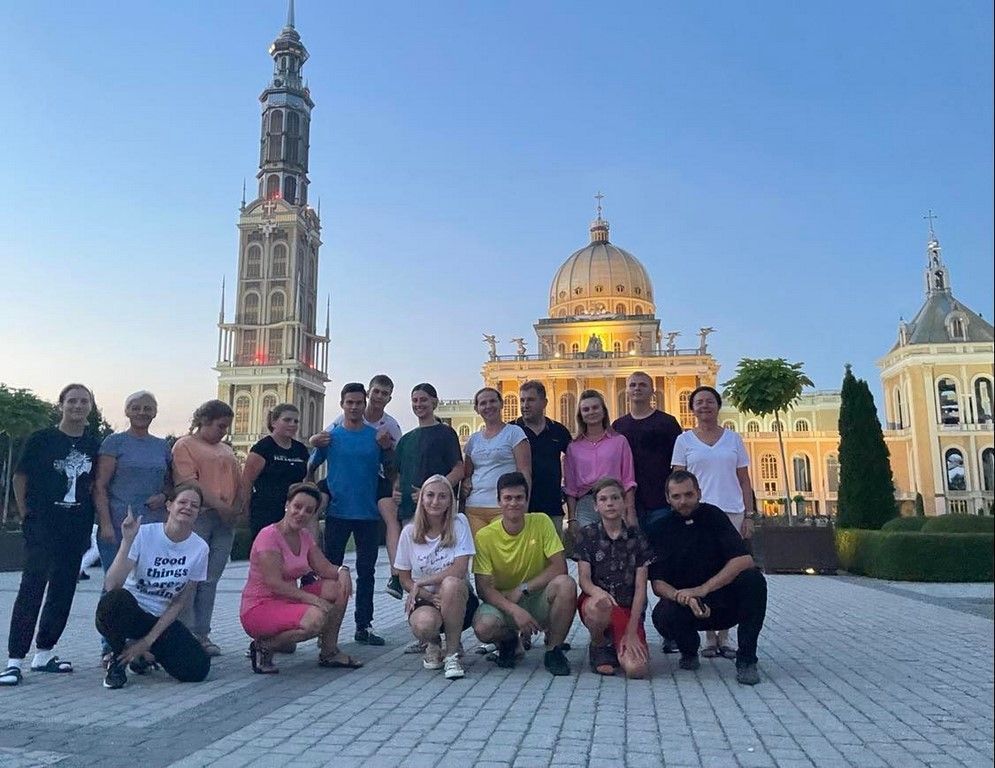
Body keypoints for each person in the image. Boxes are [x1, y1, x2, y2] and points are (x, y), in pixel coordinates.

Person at [1, 384, 102, 686]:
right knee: (32, 587)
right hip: (43, 525)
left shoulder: (94, 444)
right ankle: (14, 660)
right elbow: (20, 477)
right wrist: (26, 514)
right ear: (61, 405)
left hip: (76, 526)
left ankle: (44, 652)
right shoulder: (42, 439)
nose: (77, 406)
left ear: (90, 407)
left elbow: (95, 484)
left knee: (63, 589)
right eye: (72, 401)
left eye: (83, 401)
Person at [649, 471, 767, 686]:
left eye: (688, 494)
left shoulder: (714, 516)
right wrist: (684, 597)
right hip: (685, 605)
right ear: (667, 499)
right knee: (663, 615)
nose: (683, 501)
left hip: (723, 601)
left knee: (754, 581)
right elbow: (657, 583)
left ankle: (747, 659)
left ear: (699, 493)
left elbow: (744, 560)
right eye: (676, 496)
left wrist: (703, 589)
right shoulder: (660, 528)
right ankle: (689, 650)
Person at [96, 483, 211, 689]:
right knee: (113, 601)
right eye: (182, 502)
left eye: (194, 505)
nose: (187, 507)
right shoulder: (144, 534)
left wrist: (147, 641)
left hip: (158, 619)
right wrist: (127, 542)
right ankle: (118, 659)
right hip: (130, 611)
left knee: (198, 669)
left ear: (199, 512)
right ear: (169, 505)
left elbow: (179, 602)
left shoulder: (200, 548)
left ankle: (144, 655)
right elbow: (112, 584)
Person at [671, 385, 756, 659]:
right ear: (692, 409)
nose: (704, 406)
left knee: (731, 571)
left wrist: (749, 515)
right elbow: (678, 480)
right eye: (699, 402)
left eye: (709, 401)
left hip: (732, 511)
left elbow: (744, 480)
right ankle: (709, 635)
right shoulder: (684, 440)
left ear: (718, 406)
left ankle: (726, 636)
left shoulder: (733, 439)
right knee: (703, 571)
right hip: (700, 513)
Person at [239, 483, 358, 673]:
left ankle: (329, 652)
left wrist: (344, 571)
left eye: (308, 510)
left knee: (337, 587)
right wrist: (315, 601)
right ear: (287, 505)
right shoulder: (268, 536)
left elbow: (326, 569)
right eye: (297, 506)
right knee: (315, 619)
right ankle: (264, 646)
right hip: (260, 606)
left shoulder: (304, 536)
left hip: (287, 601)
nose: (301, 513)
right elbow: (274, 584)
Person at [309, 375, 405, 600]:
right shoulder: (336, 430)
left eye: (384, 393)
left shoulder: (388, 427)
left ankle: (396, 576)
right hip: (340, 499)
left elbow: (395, 462)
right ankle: (311, 566)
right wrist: (309, 474)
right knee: (313, 507)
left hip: (372, 489)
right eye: (349, 403)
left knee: (390, 518)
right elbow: (317, 450)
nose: (354, 407)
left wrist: (396, 483)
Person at [471, 472, 576, 676]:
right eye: (508, 498)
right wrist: (513, 610)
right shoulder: (484, 536)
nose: (513, 503)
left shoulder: (542, 522)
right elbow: (483, 588)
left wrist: (523, 589)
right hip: (504, 601)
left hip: (537, 597)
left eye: (519, 498)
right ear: (499, 501)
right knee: (484, 627)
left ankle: (553, 650)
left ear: (527, 500)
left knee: (566, 584)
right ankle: (509, 641)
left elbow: (559, 567)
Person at [310, 383, 390, 646]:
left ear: (364, 404)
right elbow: (311, 466)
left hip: (368, 515)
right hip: (337, 513)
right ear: (342, 404)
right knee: (331, 572)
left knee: (366, 573)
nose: (354, 407)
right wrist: (311, 492)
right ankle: (326, 628)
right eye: (350, 402)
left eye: (358, 402)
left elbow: (392, 469)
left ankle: (363, 626)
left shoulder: (375, 437)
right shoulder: (330, 438)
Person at [171, 399, 240, 657]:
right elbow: (189, 482)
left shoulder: (226, 449)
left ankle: (202, 633)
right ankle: (185, 631)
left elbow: (238, 481)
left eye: (226, 427)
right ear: (204, 421)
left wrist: (236, 508)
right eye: (220, 426)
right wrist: (220, 506)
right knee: (190, 577)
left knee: (210, 579)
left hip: (224, 521)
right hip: (199, 517)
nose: (224, 431)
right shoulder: (185, 445)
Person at [394, 475, 477, 680]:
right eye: (430, 495)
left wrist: (422, 581)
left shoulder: (459, 523)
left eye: (442, 496)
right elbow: (404, 579)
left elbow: (459, 569)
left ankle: (452, 654)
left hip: (458, 598)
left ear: (450, 501)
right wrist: (429, 596)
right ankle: (433, 643)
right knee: (424, 624)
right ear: (421, 499)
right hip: (425, 599)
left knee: (451, 584)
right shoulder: (409, 532)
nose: (435, 501)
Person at [574, 478, 653, 678]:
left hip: (627, 609)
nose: (610, 503)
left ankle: (619, 643)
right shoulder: (587, 535)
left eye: (615, 498)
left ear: (624, 502)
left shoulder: (638, 537)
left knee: (637, 670)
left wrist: (632, 630)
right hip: (599, 604)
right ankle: (599, 645)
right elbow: (584, 579)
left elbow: (641, 589)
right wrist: (598, 593)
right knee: (599, 606)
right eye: (603, 499)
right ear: (596, 506)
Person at [93, 391, 173, 583]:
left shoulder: (162, 446)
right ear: (127, 411)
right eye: (136, 408)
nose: (142, 412)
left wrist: (163, 496)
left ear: (155, 413)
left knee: (147, 584)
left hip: (153, 525)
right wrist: (106, 525)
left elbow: (171, 483)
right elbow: (100, 486)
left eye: (147, 408)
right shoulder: (114, 443)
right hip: (119, 524)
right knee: (115, 585)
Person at [611, 372, 683, 532]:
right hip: (629, 501)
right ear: (627, 391)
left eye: (642, 385)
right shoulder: (618, 426)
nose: (637, 388)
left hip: (661, 500)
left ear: (652, 391)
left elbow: (679, 463)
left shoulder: (667, 423)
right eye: (633, 385)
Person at [462, 387, 531, 539]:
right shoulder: (473, 439)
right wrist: (466, 482)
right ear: (477, 409)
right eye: (483, 403)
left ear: (501, 404)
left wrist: (524, 505)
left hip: (504, 506)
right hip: (474, 506)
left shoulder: (514, 433)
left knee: (504, 550)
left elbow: (524, 471)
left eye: (492, 401)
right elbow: (467, 474)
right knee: (479, 551)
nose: (488, 406)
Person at [563, 389, 637, 531]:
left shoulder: (619, 441)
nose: (591, 412)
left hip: (614, 498)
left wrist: (630, 512)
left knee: (617, 542)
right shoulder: (573, 447)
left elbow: (628, 480)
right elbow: (570, 488)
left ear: (603, 411)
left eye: (595, 407)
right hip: (586, 503)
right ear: (581, 415)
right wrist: (572, 519)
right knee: (588, 542)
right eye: (586, 409)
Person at [393, 383, 464, 526]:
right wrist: (395, 491)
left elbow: (458, 470)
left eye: (423, 400)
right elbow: (399, 475)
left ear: (434, 402)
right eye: (415, 400)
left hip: (436, 512)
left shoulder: (446, 433)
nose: (418, 404)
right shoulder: (406, 439)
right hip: (409, 512)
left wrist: (431, 492)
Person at [240, 403, 309, 543]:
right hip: (265, 512)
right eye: (287, 420)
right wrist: (244, 512)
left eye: (296, 421)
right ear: (274, 422)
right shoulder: (262, 448)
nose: (292, 424)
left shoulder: (300, 450)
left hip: (292, 512)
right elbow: (246, 482)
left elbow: (305, 481)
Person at [513, 381, 571, 533]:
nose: (525, 405)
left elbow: (574, 464)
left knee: (554, 548)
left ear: (544, 403)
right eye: (522, 400)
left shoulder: (558, 431)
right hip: (520, 507)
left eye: (530, 400)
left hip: (552, 506)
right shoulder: (511, 430)